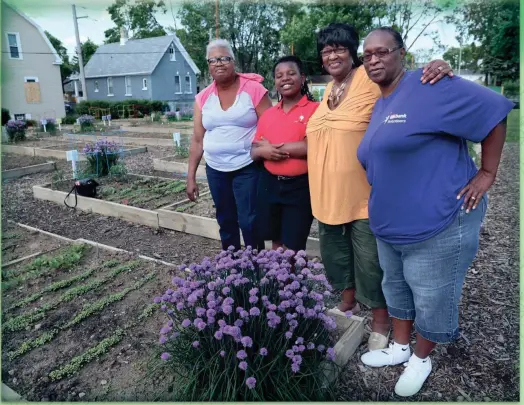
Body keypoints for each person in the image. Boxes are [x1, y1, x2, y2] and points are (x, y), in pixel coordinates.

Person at [357, 27, 514, 397]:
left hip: (438, 222)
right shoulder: (382, 101)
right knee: (395, 288)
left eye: (382, 52)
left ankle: (421, 359)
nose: (374, 60)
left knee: (432, 295)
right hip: (390, 225)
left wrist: (487, 173)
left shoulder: (431, 85)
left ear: (402, 54)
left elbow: (494, 111)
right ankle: (399, 347)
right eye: (367, 55)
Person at [305, 23, 453, 352]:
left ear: (353, 53)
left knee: (371, 262)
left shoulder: (368, 81)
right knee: (335, 256)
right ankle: (347, 303)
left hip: (364, 194)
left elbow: (403, 83)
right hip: (326, 193)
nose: (332, 55)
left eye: (340, 48)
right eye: (326, 50)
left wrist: (437, 65)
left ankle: (382, 320)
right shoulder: (328, 90)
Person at [186, 39, 273, 251]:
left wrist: (267, 153)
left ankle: (257, 268)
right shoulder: (203, 98)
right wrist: (190, 178)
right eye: (213, 60)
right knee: (225, 221)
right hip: (216, 169)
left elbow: (271, 126)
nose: (219, 63)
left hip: (247, 167)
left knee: (249, 221)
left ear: (233, 61)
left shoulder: (253, 90)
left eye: (224, 58)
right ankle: (232, 268)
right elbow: (198, 140)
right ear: (208, 65)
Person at [251, 56, 319, 252]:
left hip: (300, 187)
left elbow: (312, 146)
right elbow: (254, 151)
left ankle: (292, 281)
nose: (285, 78)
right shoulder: (268, 115)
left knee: (294, 245)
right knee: (275, 241)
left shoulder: (315, 110)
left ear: (302, 77)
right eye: (279, 75)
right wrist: (262, 150)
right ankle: (278, 282)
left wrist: (272, 149)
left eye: (291, 73)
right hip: (269, 185)